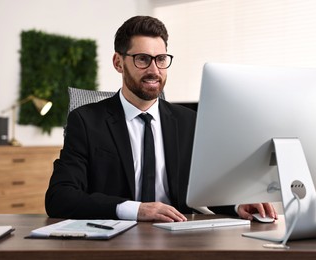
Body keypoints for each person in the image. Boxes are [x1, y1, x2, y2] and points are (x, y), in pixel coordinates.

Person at [45, 15, 277, 222]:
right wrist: (135, 210)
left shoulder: (189, 122)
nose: (154, 70)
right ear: (118, 63)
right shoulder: (86, 121)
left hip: (178, 236)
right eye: (143, 59)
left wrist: (237, 204)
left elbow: (202, 188)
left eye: (161, 59)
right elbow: (59, 198)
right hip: (114, 238)